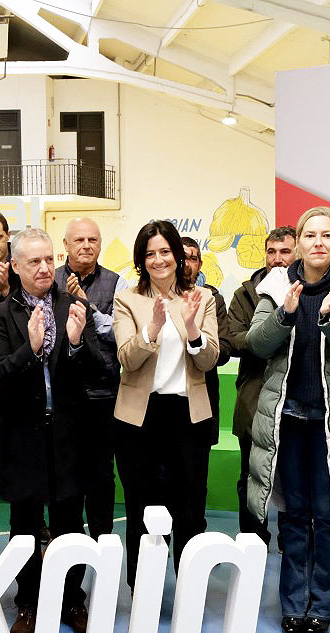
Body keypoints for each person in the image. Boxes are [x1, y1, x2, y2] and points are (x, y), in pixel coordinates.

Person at [245, 206, 330, 633]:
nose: (318, 242)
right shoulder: (277, 283)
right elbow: (257, 343)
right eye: (310, 235)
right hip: (288, 420)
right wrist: (284, 314)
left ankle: (322, 605)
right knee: (294, 516)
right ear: (298, 242)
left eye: (326, 235)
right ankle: (292, 605)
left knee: (329, 516)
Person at [0, 227, 103, 633]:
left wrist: (76, 344)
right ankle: (29, 603)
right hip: (22, 439)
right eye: (33, 261)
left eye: (49, 259)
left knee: (70, 523)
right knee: (24, 526)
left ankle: (72, 600)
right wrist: (29, 350)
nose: (43, 268)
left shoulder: (75, 306)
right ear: (15, 266)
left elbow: (99, 371)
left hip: (70, 436)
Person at [112, 221, 220, 586]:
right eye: (150, 254)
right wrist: (153, 327)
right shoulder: (127, 299)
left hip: (187, 416)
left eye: (165, 251)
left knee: (189, 509)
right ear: (141, 260)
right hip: (139, 419)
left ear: (177, 255)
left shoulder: (202, 298)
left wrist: (191, 328)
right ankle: (142, 587)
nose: (158, 260)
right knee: (141, 508)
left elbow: (209, 360)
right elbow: (127, 359)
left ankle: (190, 586)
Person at [53, 218, 127, 540]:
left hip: (103, 395)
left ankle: (103, 545)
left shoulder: (117, 283)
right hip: (62, 397)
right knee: (64, 476)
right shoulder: (50, 279)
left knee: (101, 477)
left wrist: (87, 305)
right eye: (79, 240)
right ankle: (66, 554)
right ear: (66, 245)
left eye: (92, 240)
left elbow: (122, 333)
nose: (86, 245)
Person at [228, 227, 296, 545]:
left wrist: (260, 338)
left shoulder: (310, 290)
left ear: (297, 254)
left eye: (285, 252)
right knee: (251, 476)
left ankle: (290, 540)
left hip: (295, 399)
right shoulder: (244, 295)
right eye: (272, 252)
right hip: (254, 399)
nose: (277, 259)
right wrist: (274, 335)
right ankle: (252, 540)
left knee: (293, 476)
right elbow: (235, 340)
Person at [180, 235, 233, 516]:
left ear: (200, 264)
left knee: (195, 481)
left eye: (193, 258)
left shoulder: (213, 299)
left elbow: (224, 350)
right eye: (182, 257)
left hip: (201, 400)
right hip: (162, 406)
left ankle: (194, 538)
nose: (187, 263)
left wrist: (196, 339)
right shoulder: (157, 297)